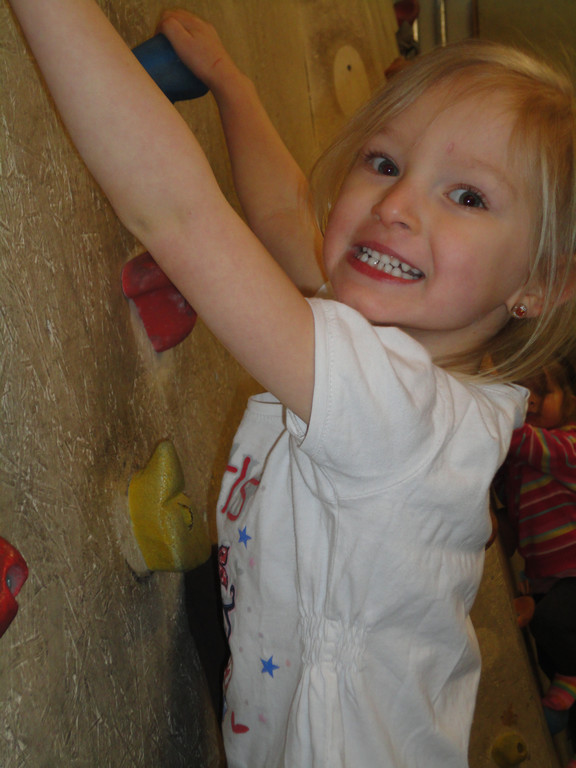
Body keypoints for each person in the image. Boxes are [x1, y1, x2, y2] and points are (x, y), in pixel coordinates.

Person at [6, 2, 576, 766]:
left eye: (468, 196)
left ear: (540, 284)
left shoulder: (402, 412)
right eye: (384, 162)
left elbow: (178, 215)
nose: (396, 205)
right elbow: (283, 216)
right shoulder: (409, 350)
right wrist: (229, 82)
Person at [501, 360, 576, 751]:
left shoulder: (567, 445)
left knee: (556, 623)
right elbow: (516, 521)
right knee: (550, 653)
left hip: (574, 575)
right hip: (547, 581)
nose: (528, 402)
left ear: (568, 400)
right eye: (521, 391)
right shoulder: (519, 467)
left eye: (540, 393)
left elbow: (522, 440)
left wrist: (499, 408)